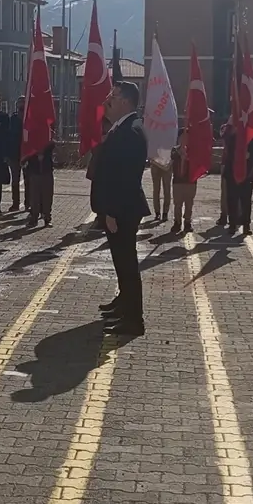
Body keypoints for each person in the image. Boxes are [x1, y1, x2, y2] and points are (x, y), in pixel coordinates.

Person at [93, 81, 150, 336]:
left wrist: (112, 211)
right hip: (118, 207)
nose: (107, 100)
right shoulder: (122, 128)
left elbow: (125, 177)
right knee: (120, 262)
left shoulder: (131, 131)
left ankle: (133, 319)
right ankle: (123, 304)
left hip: (123, 209)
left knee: (127, 264)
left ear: (126, 102)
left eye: (113, 96)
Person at [24, 135, 55, 228]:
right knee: (34, 196)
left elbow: (52, 144)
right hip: (35, 171)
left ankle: (47, 218)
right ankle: (34, 218)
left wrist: (44, 146)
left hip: (46, 171)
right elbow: (27, 149)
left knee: (47, 196)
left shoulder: (49, 142)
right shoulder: (31, 141)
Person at [170, 131, 196, 234]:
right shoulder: (175, 150)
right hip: (178, 182)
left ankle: (187, 222)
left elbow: (196, 163)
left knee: (189, 204)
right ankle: (177, 222)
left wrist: (188, 156)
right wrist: (180, 154)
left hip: (190, 182)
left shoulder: (193, 151)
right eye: (182, 137)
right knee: (177, 204)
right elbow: (172, 158)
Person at [5, 96, 26, 212]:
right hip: (14, 154)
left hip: (27, 154)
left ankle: (28, 203)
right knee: (15, 181)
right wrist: (7, 154)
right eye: (19, 103)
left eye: (23, 102)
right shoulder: (13, 118)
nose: (21, 105)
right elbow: (8, 137)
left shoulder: (29, 117)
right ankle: (15, 203)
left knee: (29, 180)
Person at [150, 155, 173, 222]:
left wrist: (170, 163)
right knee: (156, 190)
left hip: (167, 164)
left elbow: (175, 151)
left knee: (167, 190)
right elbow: (150, 152)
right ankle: (157, 213)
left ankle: (165, 213)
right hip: (155, 165)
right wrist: (154, 162)